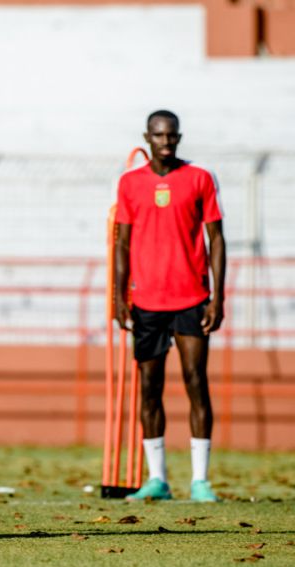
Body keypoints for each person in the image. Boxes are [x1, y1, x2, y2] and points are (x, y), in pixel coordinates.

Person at [114, 109, 226, 502]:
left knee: (196, 381)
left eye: (172, 135)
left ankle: (200, 481)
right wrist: (119, 296)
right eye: (159, 135)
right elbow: (123, 244)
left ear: (179, 137)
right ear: (147, 137)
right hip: (146, 301)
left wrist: (218, 296)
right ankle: (157, 479)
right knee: (150, 388)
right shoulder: (130, 183)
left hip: (191, 299)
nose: (165, 141)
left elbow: (216, 240)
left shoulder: (199, 178)